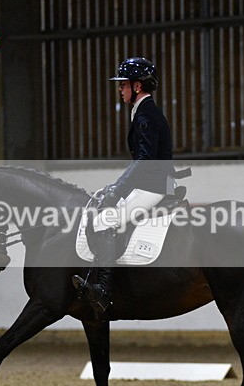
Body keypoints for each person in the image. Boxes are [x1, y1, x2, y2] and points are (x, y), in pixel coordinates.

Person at [72, 57, 174, 315]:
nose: (120, 89)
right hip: (150, 183)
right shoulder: (142, 112)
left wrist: (118, 189)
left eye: (123, 85)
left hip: (153, 187)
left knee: (105, 220)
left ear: (137, 86)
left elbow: (145, 159)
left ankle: (104, 291)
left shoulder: (146, 116)